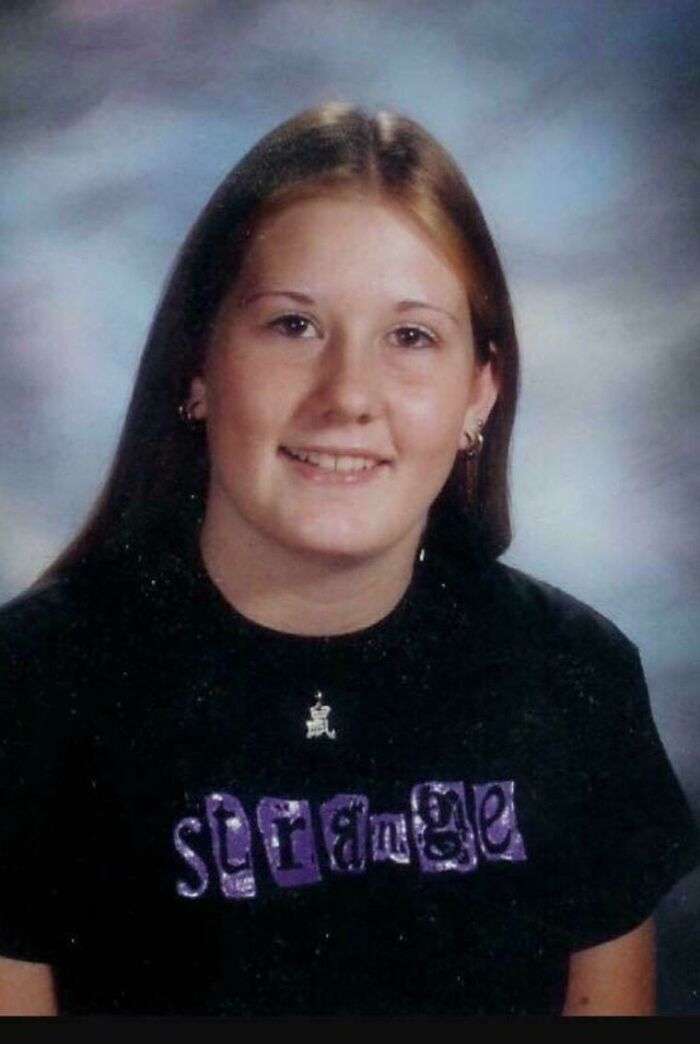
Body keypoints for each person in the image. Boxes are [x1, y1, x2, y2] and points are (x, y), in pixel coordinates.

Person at [0, 101, 697, 1017]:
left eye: (411, 337)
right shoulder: (31, 685)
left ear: (479, 392)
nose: (348, 396)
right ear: (197, 367)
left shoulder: (574, 678)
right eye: (294, 325)